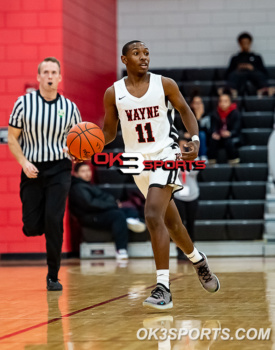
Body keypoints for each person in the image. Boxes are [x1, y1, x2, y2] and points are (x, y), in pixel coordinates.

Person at [101, 40, 220, 310]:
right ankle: (198, 259)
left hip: (166, 154)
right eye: (136, 53)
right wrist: (89, 145)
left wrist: (194, 141)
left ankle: (163, 288)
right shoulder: (113, 93)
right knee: (173, 224)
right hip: (138, 163)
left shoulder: (164, 84)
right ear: (124, 59)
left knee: (152, 214)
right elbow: (109, 133)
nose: (144, 58)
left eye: (146, 53)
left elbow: (185, 111)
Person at [8, 57, 82, 291]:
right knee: (31, 226)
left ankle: (53, 276)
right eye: (45, 72)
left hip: (59, 168)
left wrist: (77, 152)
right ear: (39, 76)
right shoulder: (23, 103)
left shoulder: (70, 108)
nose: (50, 76)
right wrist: (23, 162)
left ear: (60, 77)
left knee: (54, 220)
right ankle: (38, 226)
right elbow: (12, 138)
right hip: (32, 170)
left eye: (54, 72)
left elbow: (79, 140)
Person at [69, 162, 146, 260]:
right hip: (89, 217)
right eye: (83, 171)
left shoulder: (89, 185)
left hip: (98, 212)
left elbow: (104, 197)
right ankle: (121, 249)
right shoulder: (77, 187)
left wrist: (113, 203)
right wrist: (113, 205)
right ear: (76, 174)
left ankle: (132, 219)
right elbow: (90, 204)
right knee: (118, 215)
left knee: (129, 210)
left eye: (88, 170)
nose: (87, 173)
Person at [174, 138, 200, 260]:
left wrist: (188, 158)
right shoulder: (173, 157)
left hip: (192, 194)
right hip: (178, 195)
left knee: (191, 224)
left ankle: (192, 251)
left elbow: (194, 171)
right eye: (181, 146)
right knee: (180, 225)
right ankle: (179, 251)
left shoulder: (195, 158)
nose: (183, 148)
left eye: (186, 146)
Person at [226, 32, 269, 96]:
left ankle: (264, 90)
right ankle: (231, 91)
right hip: (239, 75)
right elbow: (228, 73)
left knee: (259, 74)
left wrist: (253, 68)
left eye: (247, 42)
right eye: (243, 43)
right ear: (239, 43)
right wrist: (239, 68)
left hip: (253, 74)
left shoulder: (257, 57)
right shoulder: (235, 58)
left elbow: (264, 72)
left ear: (250, 43)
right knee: (233, 74)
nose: (245, 44)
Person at [208, 90, 241, 164]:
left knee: (228, 140)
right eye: (221, 101)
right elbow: (212, 127)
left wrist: (229, 133)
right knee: (212, 140)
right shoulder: (215, 113)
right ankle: (211, 162)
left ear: (230, 102)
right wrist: (214, 133)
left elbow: (237, 129)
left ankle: (234, 161)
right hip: (219, 137)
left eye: (225, 101)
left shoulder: (235, 113)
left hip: (231, 136)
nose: (222, 103)